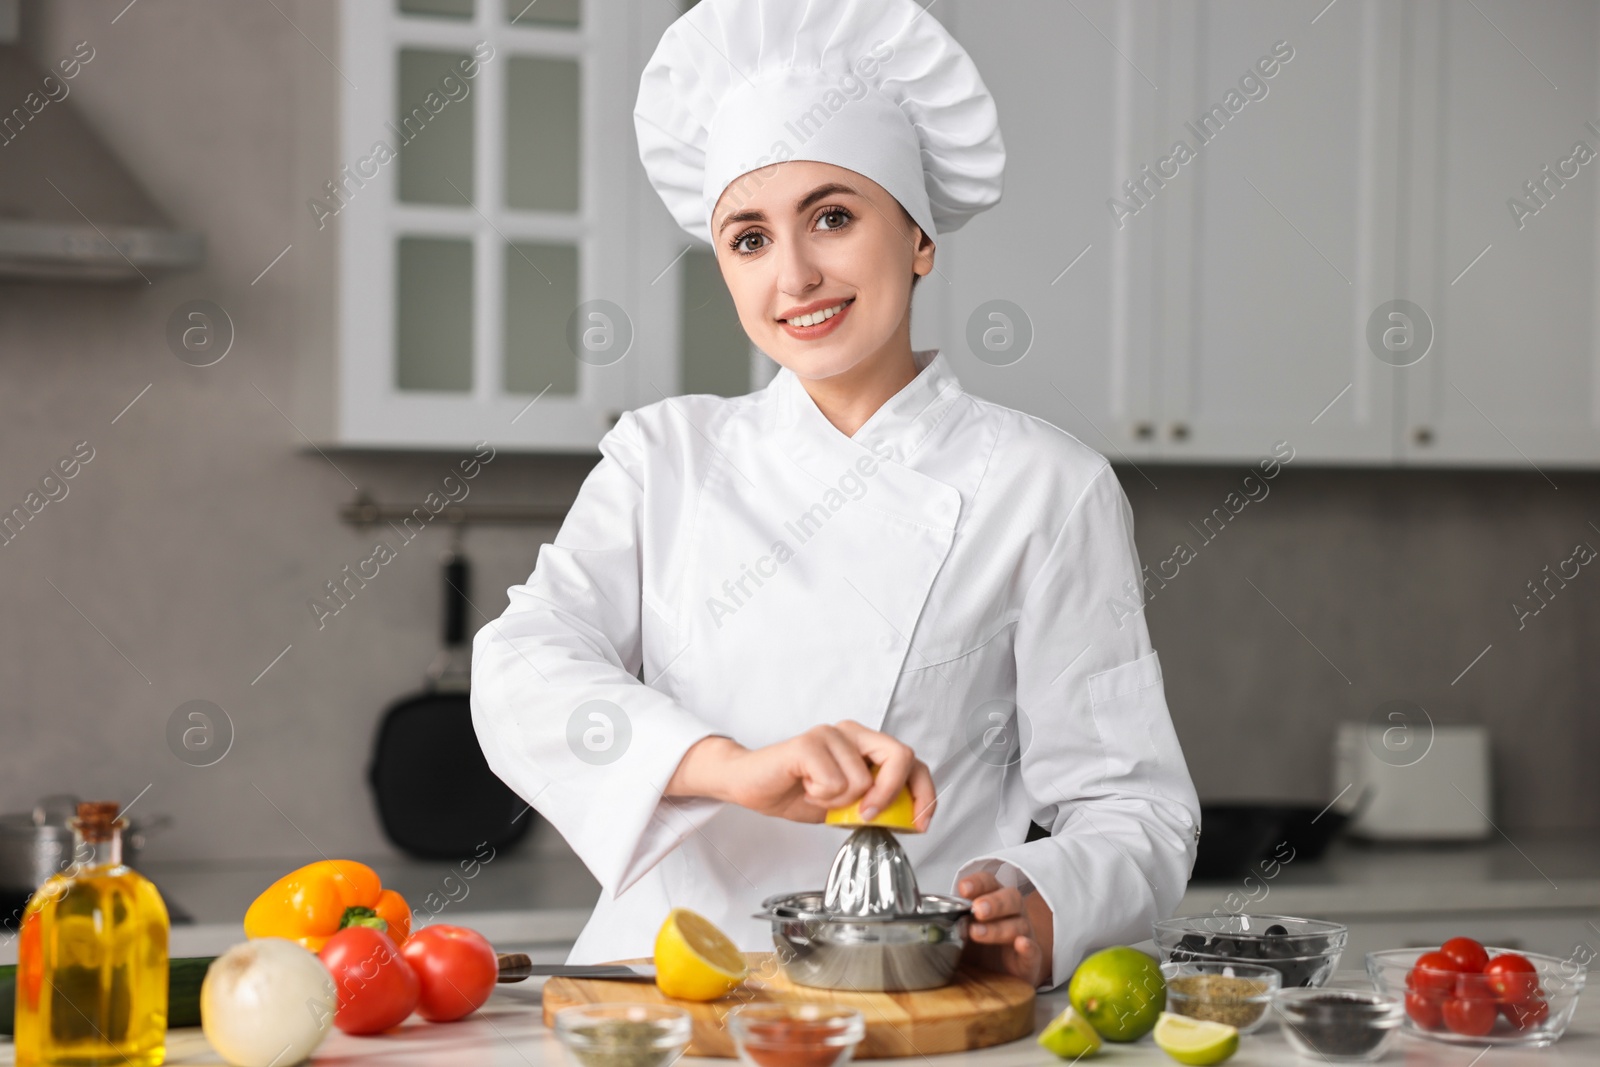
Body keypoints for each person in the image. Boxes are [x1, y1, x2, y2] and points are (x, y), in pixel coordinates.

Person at [471, 0, 1200, 992]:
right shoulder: (662, 456)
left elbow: (1135, 808)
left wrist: (1038, 893)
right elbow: (521, 668)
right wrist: (731, 766)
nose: (795, 274)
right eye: (748, 237)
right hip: (657, 988)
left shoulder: (1045, 486)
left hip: (904, 993)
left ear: (918, 238)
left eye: (832, 216)